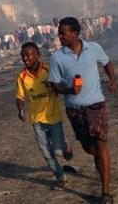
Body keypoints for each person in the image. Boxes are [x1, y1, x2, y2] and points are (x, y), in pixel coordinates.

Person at [48, 17, 117, 204]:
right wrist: (69, 89)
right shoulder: (57, 57)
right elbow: (54, 86)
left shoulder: (93, 48)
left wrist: (112, 80)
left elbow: (107, 62)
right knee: (90, 148)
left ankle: (106, 191)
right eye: (59, 33)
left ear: (75, 33)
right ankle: (99, 163)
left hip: (96, 105)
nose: (60, 36)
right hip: (75, 109)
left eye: (63, 33)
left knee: (101, 145)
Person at [16, 42, 73, 190]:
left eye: (28, 54)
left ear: (37, 55)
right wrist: (21, 110)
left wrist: (58, 87)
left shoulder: (49, 69)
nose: (25, 58)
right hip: (37, 121)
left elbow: (61, 85)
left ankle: (65, 147)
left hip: (54, 118)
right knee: (46, 152)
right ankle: (61, 178)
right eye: (23, 55)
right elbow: (20, 97)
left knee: (58, 152)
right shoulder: (22, 77)